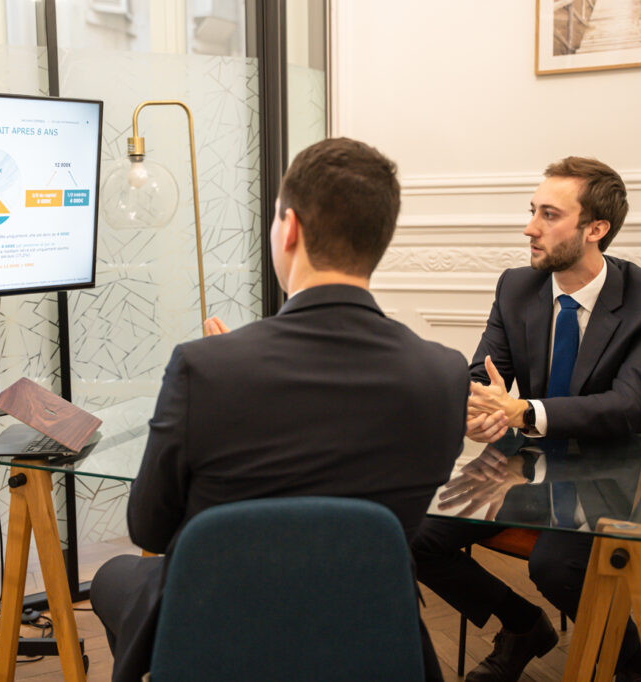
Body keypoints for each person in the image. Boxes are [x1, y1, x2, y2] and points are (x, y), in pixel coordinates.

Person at [89, 137, 470, 682]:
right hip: (370, 634)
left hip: (219, 631)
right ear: (379, 239)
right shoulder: (445, 374)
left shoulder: (205, 367)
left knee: (115, 576)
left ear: (289, 228)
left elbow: (150, 527)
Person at [411, 156, 641, 682]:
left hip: (618, 464)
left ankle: (636, 668)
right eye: (532, 210)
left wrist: (523, 410)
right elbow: (483, 375)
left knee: (555, 566)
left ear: (595, 229)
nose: (530, 228)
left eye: (549, 215)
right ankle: (522, 626)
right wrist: (479, 411)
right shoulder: (517, 286)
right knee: (413, 536)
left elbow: (629, 405)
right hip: (529, 461)